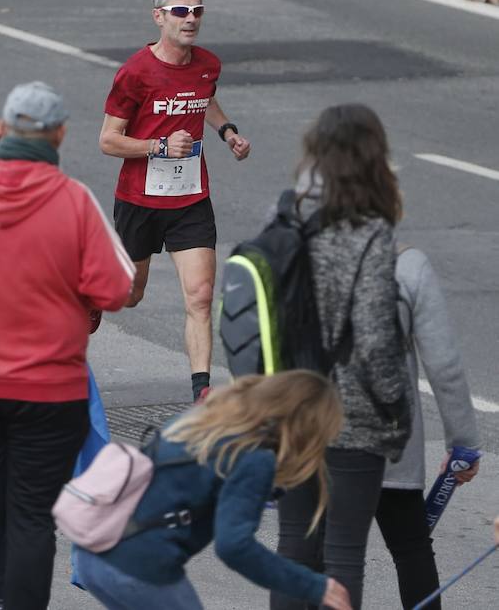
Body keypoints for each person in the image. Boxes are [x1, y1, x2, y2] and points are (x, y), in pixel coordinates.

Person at [0, 81, 135, 610]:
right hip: (49, 390)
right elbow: (115, 288)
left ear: (3, 129)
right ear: (61, 134)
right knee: (30, 519)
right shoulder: (73, 203)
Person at [271, 104, 412, 610]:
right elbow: (375, 340)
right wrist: (398, 407)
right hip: (351, 418)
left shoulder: (287, 216)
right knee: (344, 553)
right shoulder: (370, 233)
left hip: (289, 409)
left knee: (294, 550)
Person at [74, 371, 351, 610]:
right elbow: (234, 546)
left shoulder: (204, 421)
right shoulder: (253, 457)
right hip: (139, 565)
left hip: (93, 553)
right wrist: (316, 587)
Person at [99, 0, 251, 402]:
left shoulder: (207, 65)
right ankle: (94, 293)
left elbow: (205, 99)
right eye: (181, 11)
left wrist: (227, 132)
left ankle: (201, 390)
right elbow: (108, 140)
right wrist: (160, 145)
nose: (191, 19)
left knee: (201, 297)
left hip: (190, 198)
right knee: (130, 295)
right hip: (140, 200)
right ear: (159, 17)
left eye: (197, 11)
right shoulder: (134, 73)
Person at [374, 246, 480, 609]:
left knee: (315, 551)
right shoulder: (407, 265)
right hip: (392, 444)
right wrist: (463, 444)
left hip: (325, 441)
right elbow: (445, 365)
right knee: (411, 548)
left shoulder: (302, 257)